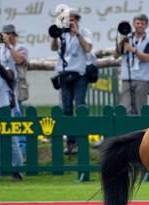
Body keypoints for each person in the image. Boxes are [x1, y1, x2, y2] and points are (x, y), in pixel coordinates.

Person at [51, 9, 93, 155]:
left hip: (79, 74)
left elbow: (88, 48)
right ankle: (71, 143)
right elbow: (53, 48)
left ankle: (82, 140)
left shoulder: (85, 32)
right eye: (67, 19)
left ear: (77, 20)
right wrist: (55, 35)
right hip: (64, 74)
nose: (70, 22)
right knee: (66, 109)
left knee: (80, 107)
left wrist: (77, 34)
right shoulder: (62, 34)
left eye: (72, 19)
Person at [0, 47, 23, 181]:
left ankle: (18, 171)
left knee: (12, 141)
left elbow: (9, 77)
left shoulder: (6, 68)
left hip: (5, 110)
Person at [114, 14, 149, 116]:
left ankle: (141, 130)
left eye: (142, 23)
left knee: (140, 107)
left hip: (142, 78)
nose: (140, 25)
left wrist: (133, 50)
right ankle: (128, 130)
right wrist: (120, 41)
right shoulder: (126, 38)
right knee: (125, 106)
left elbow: (147, 58)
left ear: (146, 25)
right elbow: (116, 55)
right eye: (137, 23)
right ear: (133, 24)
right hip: (127, 78)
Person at [0, 24, 29, 159]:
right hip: (0, 92)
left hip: (15, 91)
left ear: (13, 35)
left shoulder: (21, 48)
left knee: (17, 123)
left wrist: (9, 46)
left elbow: (19, 60)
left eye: (8, 34)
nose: (6, 36)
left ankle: (22, 155)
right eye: (4, 34)